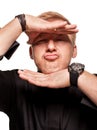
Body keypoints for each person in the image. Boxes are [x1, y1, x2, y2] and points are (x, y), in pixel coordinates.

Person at [0, 11, 97, 130]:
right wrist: (21, 22)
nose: (51, 47)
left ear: (74, 50)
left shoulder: (91, 83)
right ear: (31, 53)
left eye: (60, 39)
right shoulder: (16, 83)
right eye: (41, 41)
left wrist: (77, 76)